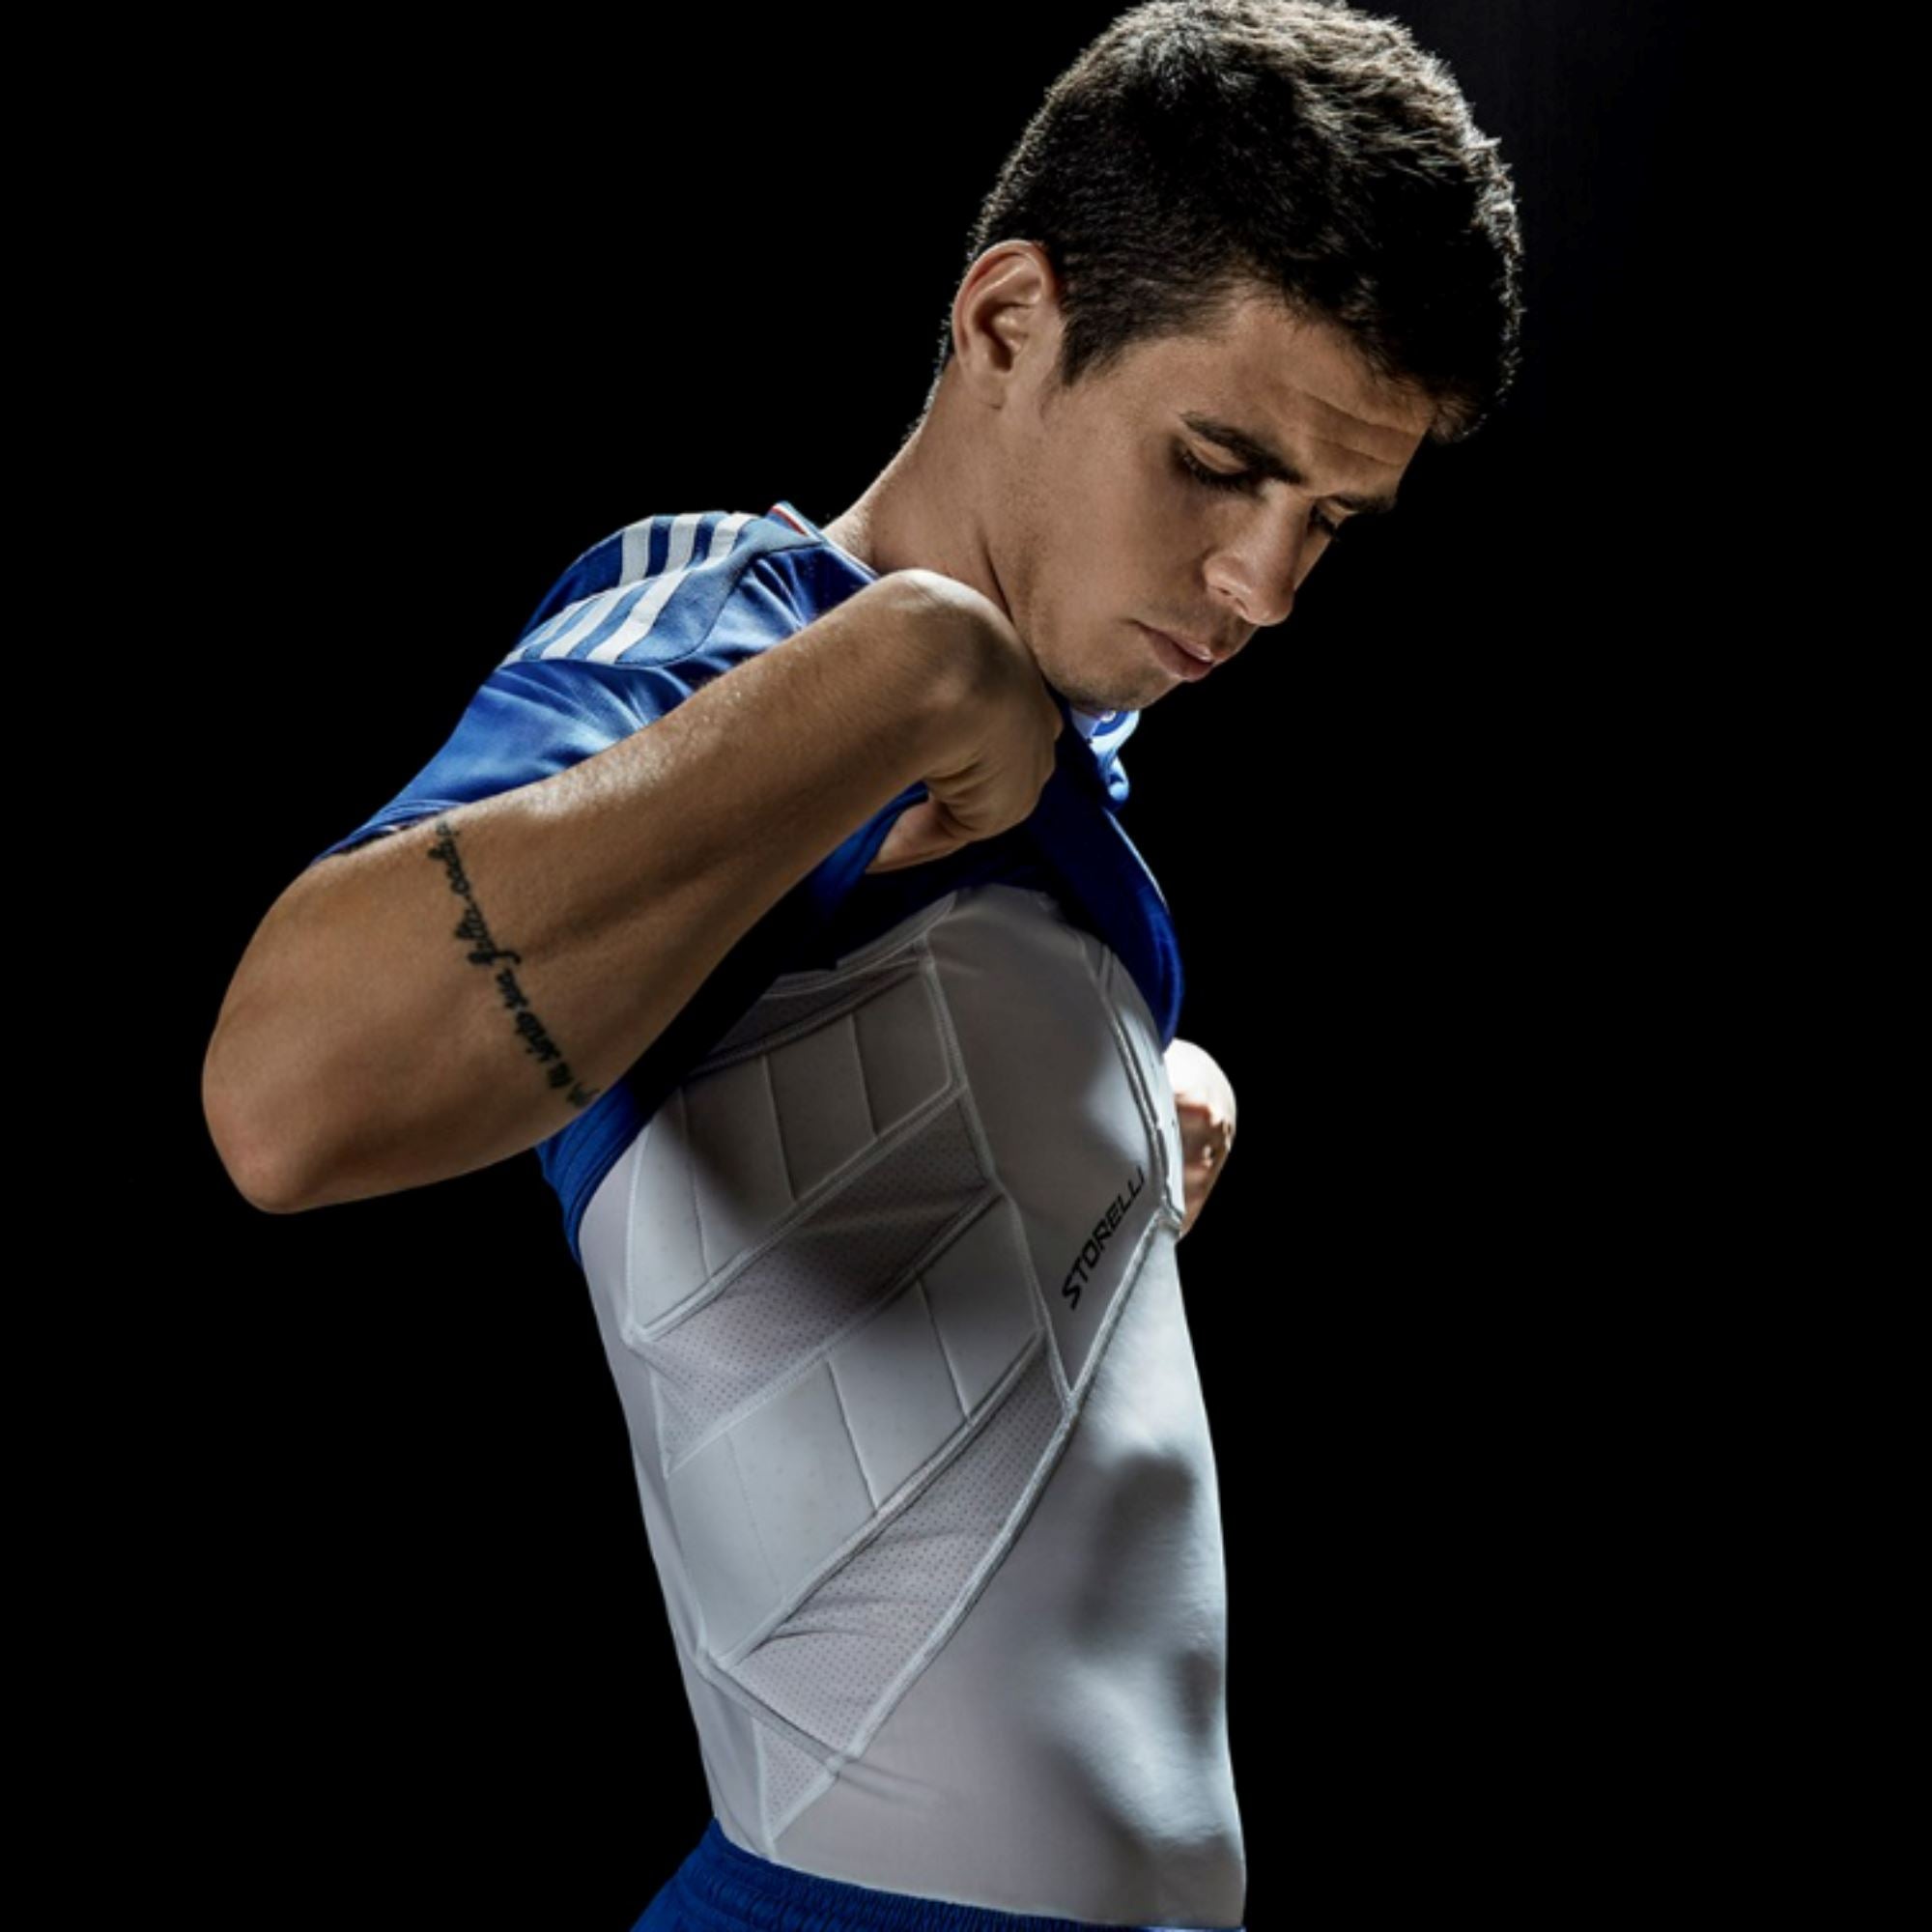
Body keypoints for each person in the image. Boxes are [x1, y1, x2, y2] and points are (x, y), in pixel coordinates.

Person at [202, 2, 1521, 1925]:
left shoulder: (1055, 783)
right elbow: (283, 1096)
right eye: (1217, 463)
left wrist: (1141, 1098)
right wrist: (902, 665)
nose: (1264, 587)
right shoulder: (748, 629)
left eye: (1325, 520)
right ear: (1008, 320)